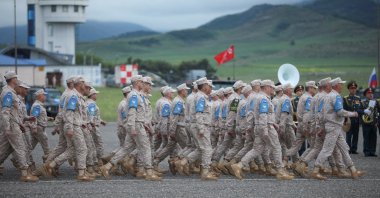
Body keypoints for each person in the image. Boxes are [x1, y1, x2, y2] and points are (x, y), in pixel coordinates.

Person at [99, 75, 161, 181]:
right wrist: (132, 127)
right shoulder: (133, 95)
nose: (143, 83)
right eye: (141, 81)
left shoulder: (137, 95)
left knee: (126, 149)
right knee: (146, 147)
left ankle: (107, 166)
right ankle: (149, 172)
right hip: (136, 125)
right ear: (137, 83)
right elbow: (132, 112)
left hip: (137, 124)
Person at [230, 80, 294, 180]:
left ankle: (239, 165)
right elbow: (263, 114)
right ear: (267, 87)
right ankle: (280, 171)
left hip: (261, 126)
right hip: (266, 127)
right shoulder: (263, 98)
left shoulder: (257, 97)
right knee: (276, 147)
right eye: (272, 87)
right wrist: (265, 129)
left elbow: (254, 113)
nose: (273, 89)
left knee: (257, 149)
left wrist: (272, 124)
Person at [310, 77, 364, 180]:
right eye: (341, 84)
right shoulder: (336, 96)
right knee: (327, 150)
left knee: (344, 148)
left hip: (333, 126)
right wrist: (354, 114)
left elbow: (321, 113)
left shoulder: (327, 96)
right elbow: (340, 112)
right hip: (334, 126)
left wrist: (321, 126)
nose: (342, 86)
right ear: (336, 85)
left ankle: (352, 170)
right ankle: (315, 170)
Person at [0, 71, 38, 182]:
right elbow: (5, 112)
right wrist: (7, 127)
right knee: (20, 148)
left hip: (13, 124)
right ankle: (25, 174)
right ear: (12, 79)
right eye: (16, 78)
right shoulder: (8, 93)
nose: (17, 80)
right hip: (11, 126)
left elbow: (13, 112)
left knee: (4, 150)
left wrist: (21, 123)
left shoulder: (11, 92)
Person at [30, 89, 54, 162]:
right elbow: (34, 117)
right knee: (46, 148)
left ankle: (17, 159)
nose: (45, 97)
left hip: (39, 128)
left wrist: (48, 118)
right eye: (44, 95)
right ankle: (47, 163)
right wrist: (34, 127)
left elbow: (40, 117)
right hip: (39, 128)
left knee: (30, 146)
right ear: (40, 96)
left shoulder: (39, 105)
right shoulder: (37, 106)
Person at [344, 81, 362, 154]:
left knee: (356, 134)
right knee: (349, 135)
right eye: (351, 88)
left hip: (356, 120)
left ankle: (354, 149)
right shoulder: (345, 98)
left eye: (354, 88)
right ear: (349, 89)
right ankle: (348, 149)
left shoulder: (358, 98)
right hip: (349, 119)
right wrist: (345, 119)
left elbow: (359, 108)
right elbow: (344, 109)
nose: (353, 90)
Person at [360, 88, 378, 157]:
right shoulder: (362, 102)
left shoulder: (375, 102)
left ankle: (372, 151)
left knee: (374, 137)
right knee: (366, 137)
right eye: (369, 93)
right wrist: (364, 111)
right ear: (365, 94)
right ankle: (366, 151)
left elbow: (377, 112)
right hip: (366, 122)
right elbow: (359, 110)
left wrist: (377, 122)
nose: (371, 94)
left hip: (374, 123)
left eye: (371, 93)